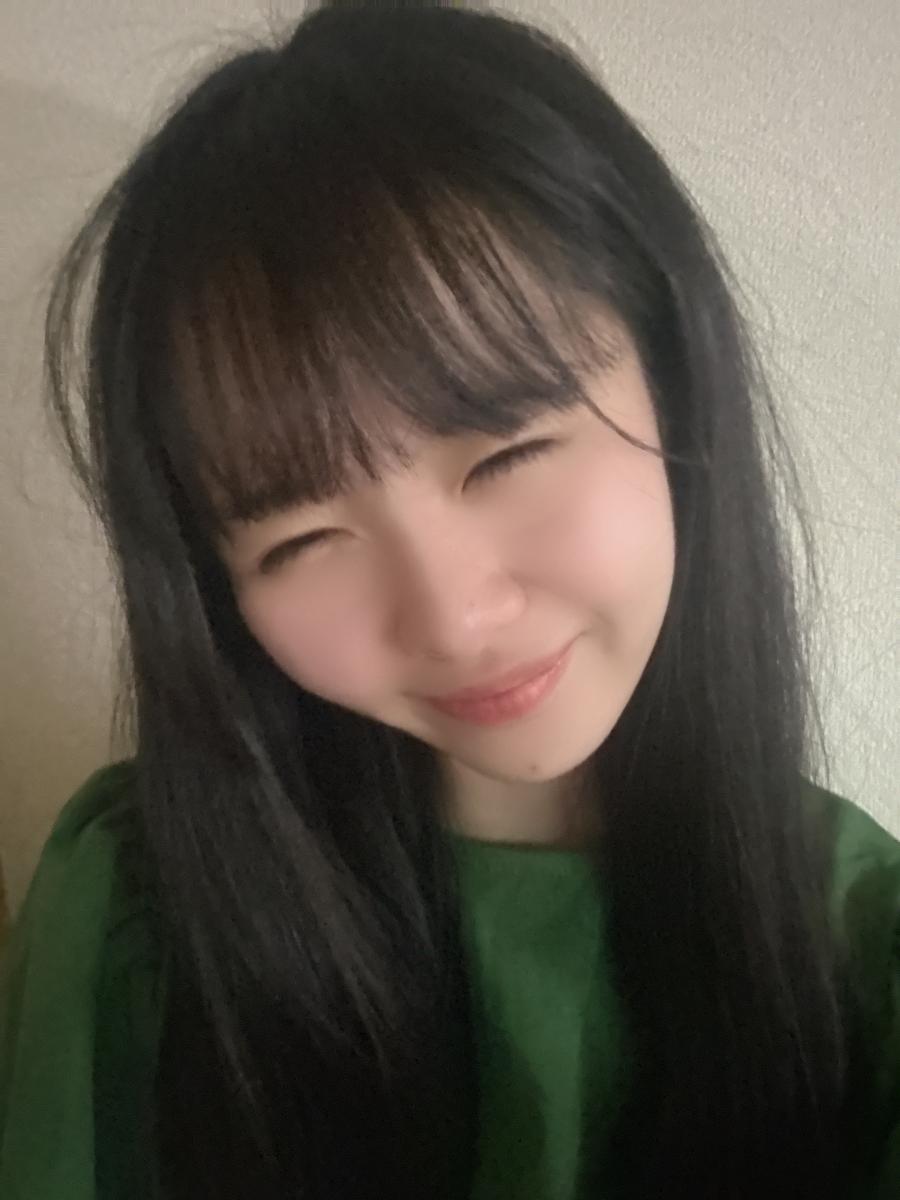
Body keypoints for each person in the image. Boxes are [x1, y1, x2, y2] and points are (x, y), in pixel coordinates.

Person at [1, 2, 898, 1197]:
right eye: (301, 539)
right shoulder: (137, 918)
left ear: (678, 380)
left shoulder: (865, 949)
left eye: (508, 454)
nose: (454, 619)